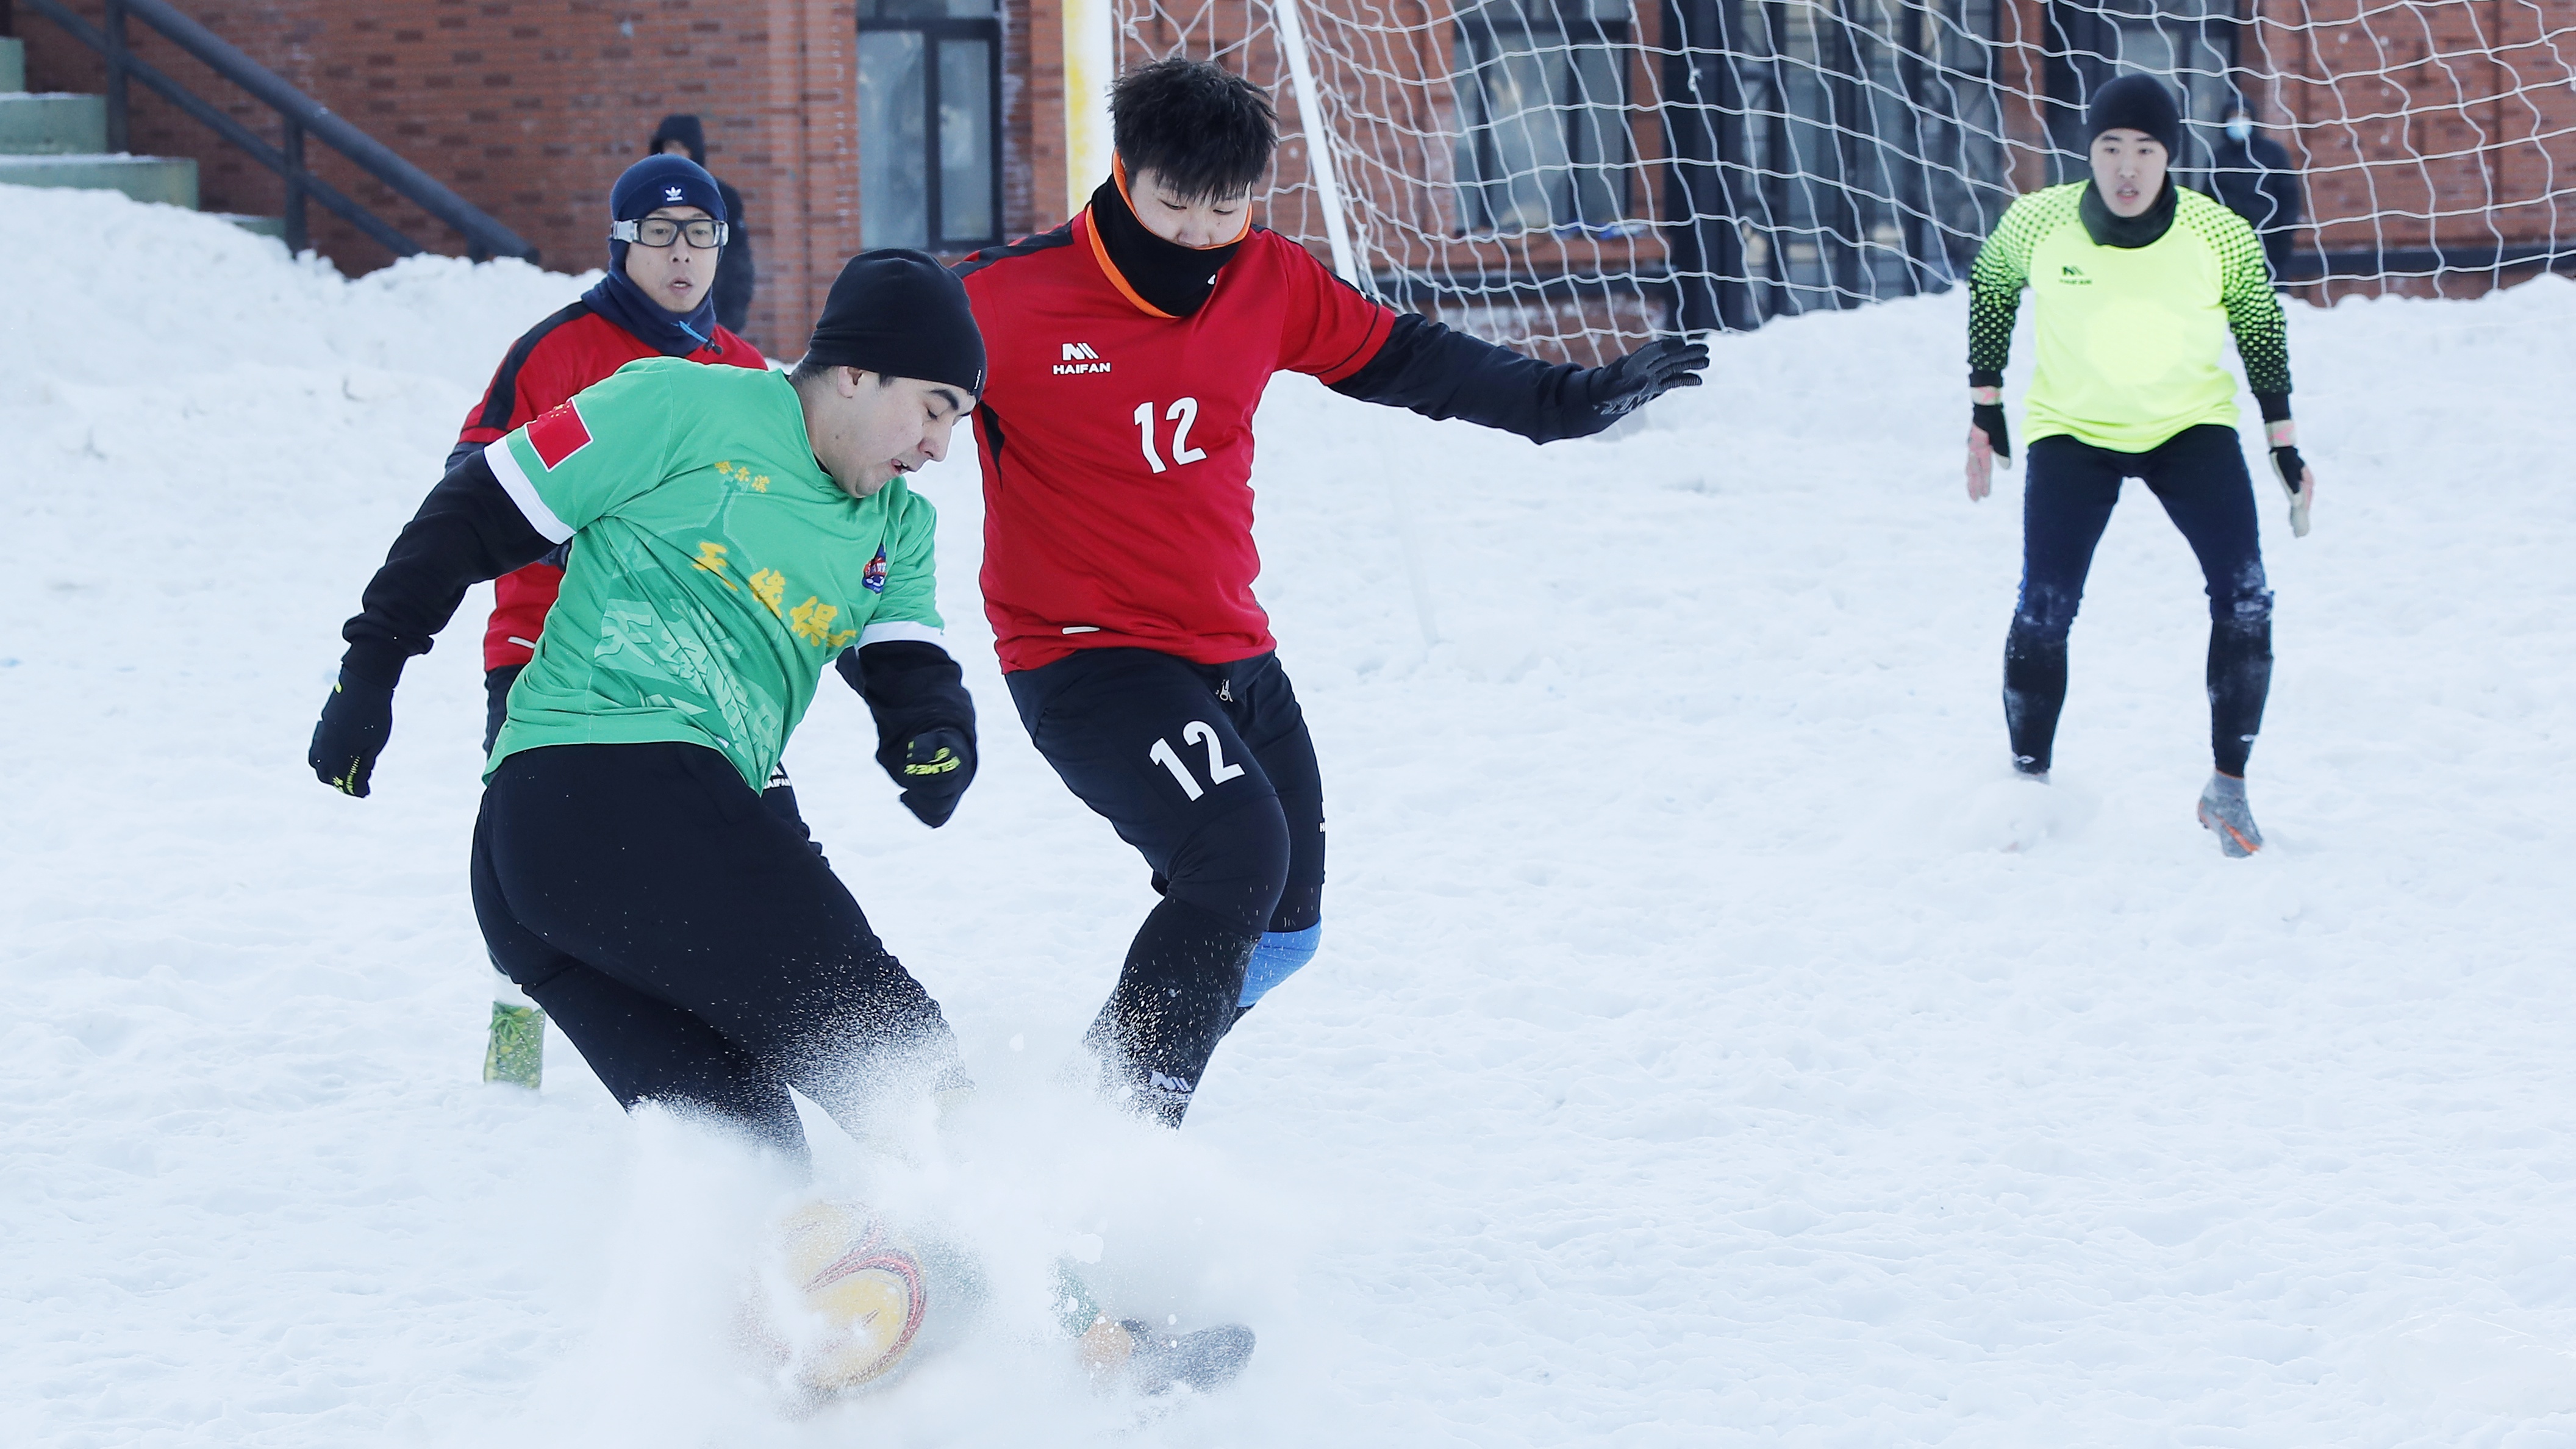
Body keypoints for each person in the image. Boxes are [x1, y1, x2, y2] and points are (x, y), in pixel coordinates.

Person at [954, 57, 1709, 1127]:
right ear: (1123, 175)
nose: (1201, 234)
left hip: (1229, 650)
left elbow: (1408, 357)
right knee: (1234, 851)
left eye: (1228, 208)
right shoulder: (1003, 298)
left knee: (1283, 934)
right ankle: (1112, 1152)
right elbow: (861, 389)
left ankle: (1070, 1118)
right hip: (1082, 656)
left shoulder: (1268, 277)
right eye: (1175, 205)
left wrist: (1560, 400)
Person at [309, 251, 989, 1161]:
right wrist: (371, 670)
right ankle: (1077, 1294)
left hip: (587, 868)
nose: (941, 447)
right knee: (896, 1057)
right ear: (858, 373)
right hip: (598, 790)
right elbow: (474, 511)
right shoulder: (681, 404)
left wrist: (934, 734)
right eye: (936, 409)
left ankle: (811, 1293)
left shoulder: (898, 525)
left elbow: (906, 659)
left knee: (750, 1161)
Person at [452, 152, 771, 1089]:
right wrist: (578, 536)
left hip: (689, 667)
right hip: (542, 652)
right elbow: (468, 482)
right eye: (661, 235)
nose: (683, 255)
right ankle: (516, 1034)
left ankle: (702, 1021)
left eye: (701, 235)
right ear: (622, 245)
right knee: (524, 860)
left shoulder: (743, 371)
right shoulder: (557, 351)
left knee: (712, 849)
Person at [1963, 74, 2319, 856]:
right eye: (2111, 148)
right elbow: (1991, 286)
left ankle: (2229, 792)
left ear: (2171, 158)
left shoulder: (2218, 234)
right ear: (2089, 152)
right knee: (2045, 607)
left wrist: (2283, 444)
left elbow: (2262, 332)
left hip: (2188, 430)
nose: (2127, 168)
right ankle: (2028, 786)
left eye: (2146, 151)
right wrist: (1986, 407)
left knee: (2248, 598)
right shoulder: (2038, 221)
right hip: (2072, 434)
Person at [651, 114, 757, 335]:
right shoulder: (644, 196)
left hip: (710, 318)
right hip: (654, 318)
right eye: (669, 147)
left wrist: (729, 319)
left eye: (681, 147)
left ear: (694, 151)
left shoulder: (720, 197)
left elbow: (737, 265)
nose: (674, 154)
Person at [2209, 101, 2304, 282]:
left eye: (2244, 116)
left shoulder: (2273, 153)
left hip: (2271, 245)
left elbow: (2289, 196)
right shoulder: (2218, 158)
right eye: (2233, 117)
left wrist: (2285, 234)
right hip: (2231, 248)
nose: (2238, 122)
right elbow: (2209, 198)